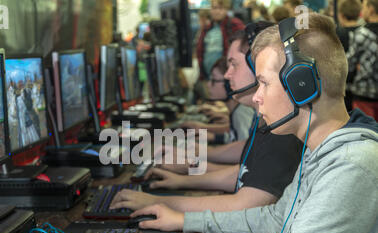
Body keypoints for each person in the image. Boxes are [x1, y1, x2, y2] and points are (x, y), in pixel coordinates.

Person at [89, 13, 378, 233]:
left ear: (302, 85)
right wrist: (186, 221)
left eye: (264, 82)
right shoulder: (324, 150)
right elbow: (275, 220)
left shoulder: (350, 167)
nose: (256, 96)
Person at [110, 21, 303, 216]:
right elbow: (246, 173)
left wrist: (159, 202)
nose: (228, 74)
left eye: (233, 64)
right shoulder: (272, 122)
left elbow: (246, 204)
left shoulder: (283, 128)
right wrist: (186, 176)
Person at [196, 0, 245, 81]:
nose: (217, 11)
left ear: (226, 9)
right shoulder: (207, 28)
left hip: (227, 75)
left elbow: (243, 48)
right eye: (214, 8)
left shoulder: (234, 24)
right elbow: (200, 51)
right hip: (208, 76)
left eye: (220, 8)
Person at [346, 0, 378, 120]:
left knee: (367, 131)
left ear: (371, 9)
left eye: (364, 7)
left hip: (364, 93)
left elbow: (349, 65)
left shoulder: (361, 34)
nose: (361, 11)